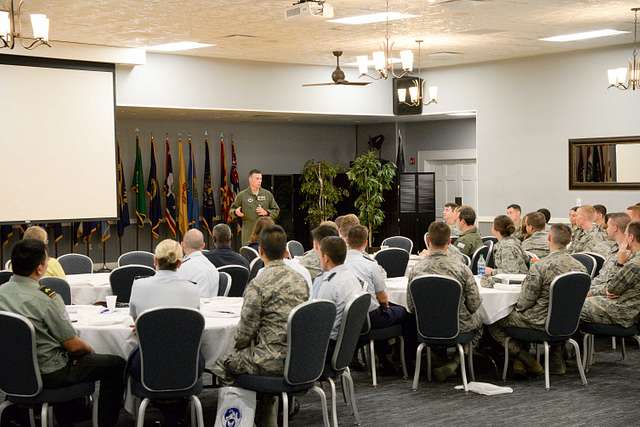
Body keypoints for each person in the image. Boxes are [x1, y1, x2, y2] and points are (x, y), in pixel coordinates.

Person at [0, 239, 125, 426]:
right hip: (49, 374)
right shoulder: (47, 298)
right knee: (115, 364)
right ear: (40, 268)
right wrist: (90, 350)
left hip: (9, 372)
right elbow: (73, 346)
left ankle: (70, 414)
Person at [212, 225, 309, 426]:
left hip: (269, 362)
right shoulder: (301, 280)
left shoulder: (258, 284)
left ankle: (239, 420)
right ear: (285, 251)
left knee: (222, 363)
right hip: (299, 360)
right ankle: (268, 408)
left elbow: (244, 334)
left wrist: (236, 349)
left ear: (261, 251)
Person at [489, 224, 587, 377]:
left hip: (539, 323)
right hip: (567, 323)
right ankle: (553, 360)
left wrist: (515, 307)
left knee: (494, 318)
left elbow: (524, 303)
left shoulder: (541, 266)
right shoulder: (581, 268)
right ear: (569, 241)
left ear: (549, 238)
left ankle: (524, 358)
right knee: (524, 314)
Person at [406, 221, 482, 382]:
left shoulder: (415, 270)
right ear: (449, 242)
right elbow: (474, 304)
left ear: (428, 242)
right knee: (480, 322)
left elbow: (411, 307)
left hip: (425, 327)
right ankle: (455, 363)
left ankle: (435, 358)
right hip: (459, 327)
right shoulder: (461, 268)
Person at [344, 224, 407, 372]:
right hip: (370, 319)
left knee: (382, 311)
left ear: (347, 240)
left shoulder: (340, 263)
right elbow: (382, 298)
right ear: (366, 242)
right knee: (402, 312)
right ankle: (399, 359)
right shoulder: (370, 265)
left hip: (347, 318)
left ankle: (381, 357)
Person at [581, 221, 640, 329]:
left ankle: (563, 343)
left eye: (626, 235)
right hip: (629, 308)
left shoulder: (634, 264)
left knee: (573, 304)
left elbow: (612, 289)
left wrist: (620, 263)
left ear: (631, 237)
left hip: (622, 312)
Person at [129, 239, 200, 319]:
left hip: (149, 331)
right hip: (182, 331)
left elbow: (134, 319)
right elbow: (194, 321)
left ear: (155, 260)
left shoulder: (139, 286)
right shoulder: (192, 288)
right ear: (179, 264)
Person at [312, 236, 364, 342]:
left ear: (326, 258)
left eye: (320, 256)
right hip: (347, 341)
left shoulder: (329, 284)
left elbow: (319, 320)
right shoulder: (352, 276)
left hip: (328, 344)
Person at [230, 169, 280, 245]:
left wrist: (267, 212)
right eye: (257, 178)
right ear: (250, 179)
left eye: (261, 178)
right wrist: (236, 212)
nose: (260, 181)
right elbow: (231, 211)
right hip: (248, 234)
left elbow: (276, 210)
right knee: (248, 254)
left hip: (265, 234)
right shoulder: (242, 195)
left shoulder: (267, 194)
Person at [589, 213, 631, 296]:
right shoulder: (614, 248)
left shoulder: (627, 253)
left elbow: (614, 286)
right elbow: (601, 277)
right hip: (595, 289)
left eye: (608, 226)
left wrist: (589, 292)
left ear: (615, 228)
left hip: (605, 296)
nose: (606, 229)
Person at [481, 215, 529, 286]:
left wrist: (492, 272)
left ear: (496, 229)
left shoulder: (507, 247)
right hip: (515, 282)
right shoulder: (513, 241)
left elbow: (511, 273)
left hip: (515, 285)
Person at [179, 228, 220, 297]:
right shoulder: (212, 267)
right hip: (210, 307)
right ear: (203, 245)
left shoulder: (180, 269)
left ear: (182, 245)